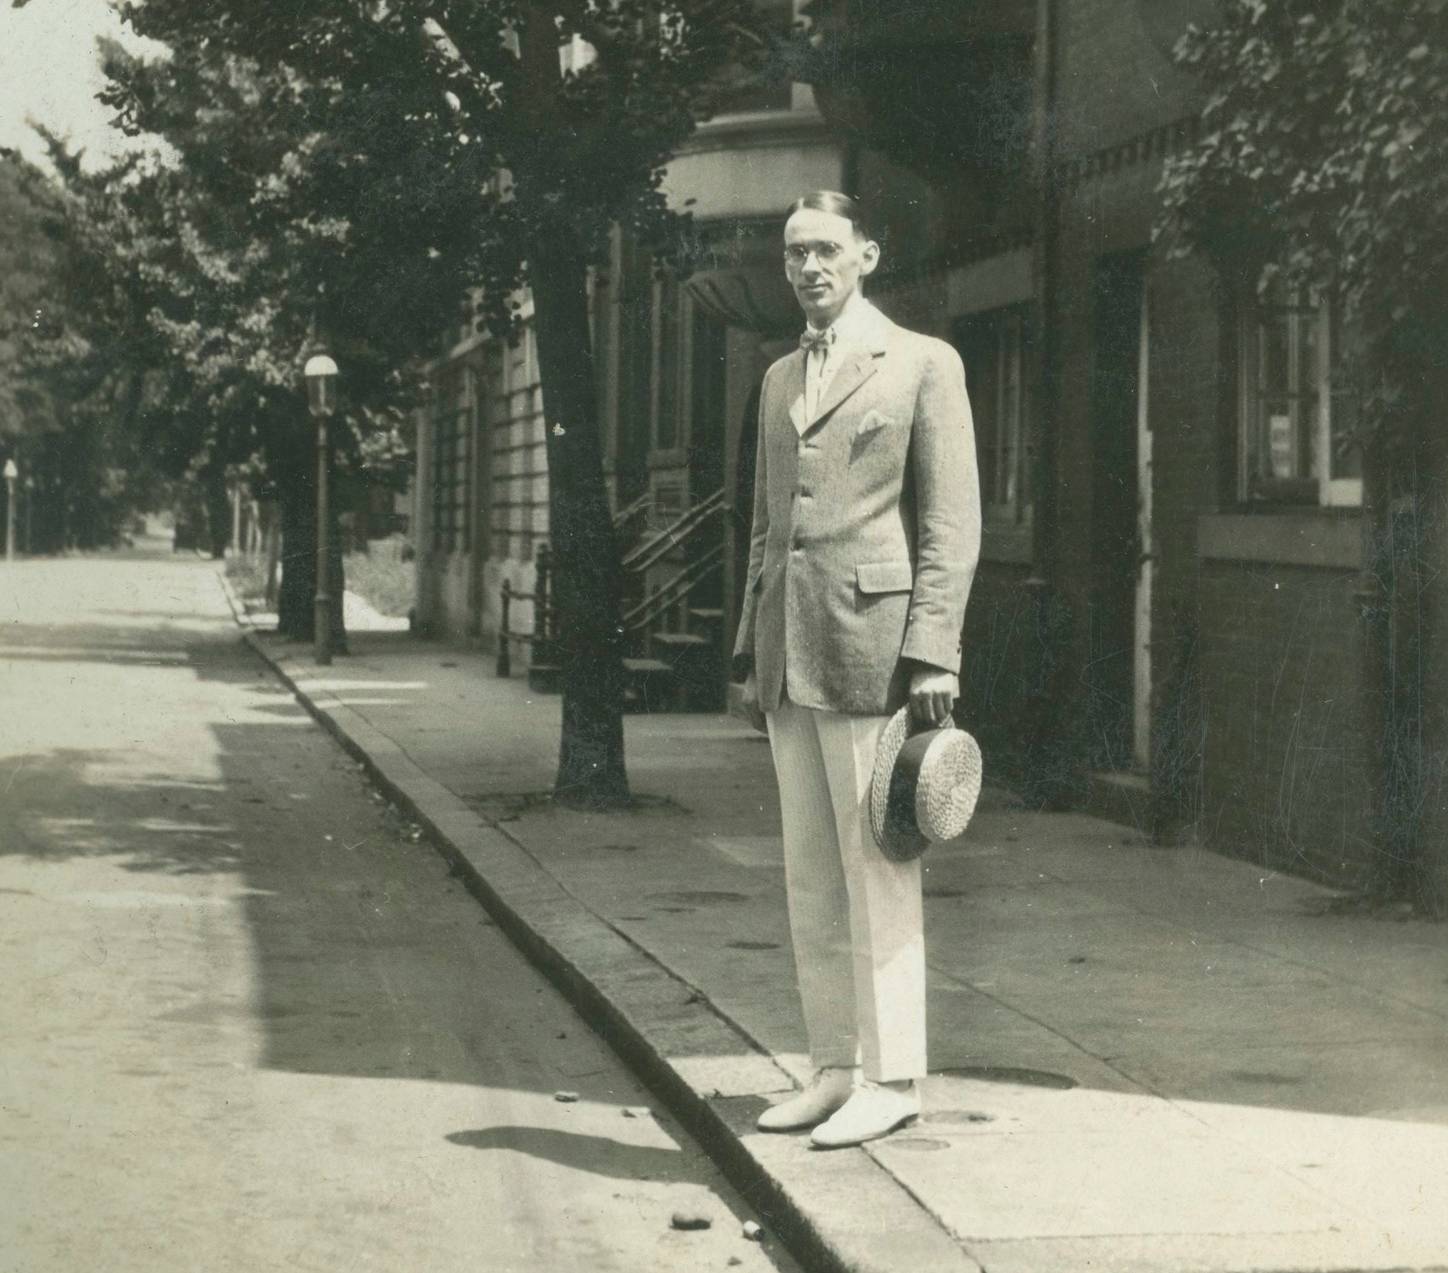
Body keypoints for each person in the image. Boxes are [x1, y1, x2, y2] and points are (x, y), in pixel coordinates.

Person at [733, 191, 980, 1148]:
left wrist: (933, 651)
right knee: (810, 872)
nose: (809, 267)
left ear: (868, 254)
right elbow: (765, 526)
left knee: (879, 862)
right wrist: (750, 652)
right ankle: (834, 1065)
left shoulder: (922, 363)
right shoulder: (776, 378)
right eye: (795, 252)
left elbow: (951, 524)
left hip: (876, 651)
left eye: (827, 249)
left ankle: (894, 1073)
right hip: (790, 652)